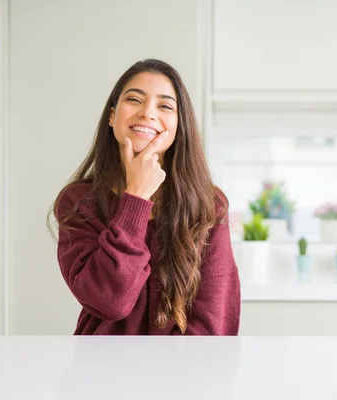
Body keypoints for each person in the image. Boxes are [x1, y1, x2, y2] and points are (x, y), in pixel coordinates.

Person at [49, 59, 241, 335]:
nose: (147, 113)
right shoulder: (78, 201)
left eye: (165, 106)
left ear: (178, 125)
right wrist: (136, 198)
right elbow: (110, 302)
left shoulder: (208, 205)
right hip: (97, 372)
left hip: (184, 374)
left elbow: (214, 324)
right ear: (112, 116)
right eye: (134, 99)